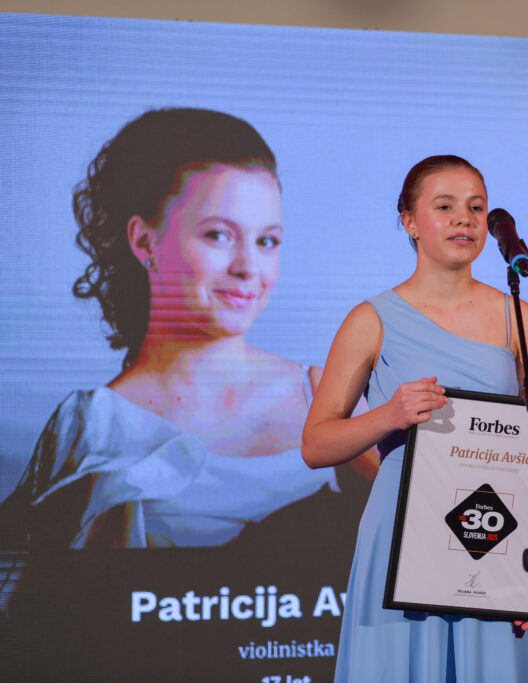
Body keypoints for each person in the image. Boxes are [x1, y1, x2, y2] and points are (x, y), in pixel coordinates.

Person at [3, 107, 373, 549]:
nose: (248, 267)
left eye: (266, 241)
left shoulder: (330, 398)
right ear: (145, 241)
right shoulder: (94, 425)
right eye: (218, 235)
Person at [302, 155, 528, 682]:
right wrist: (389, 415)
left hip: (490, 534)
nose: (465, 219)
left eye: (476, 208)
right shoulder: (371, 320)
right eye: (445, 206)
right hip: (402, 536)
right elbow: (316, 445)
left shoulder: (517, 318)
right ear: (410, 222)